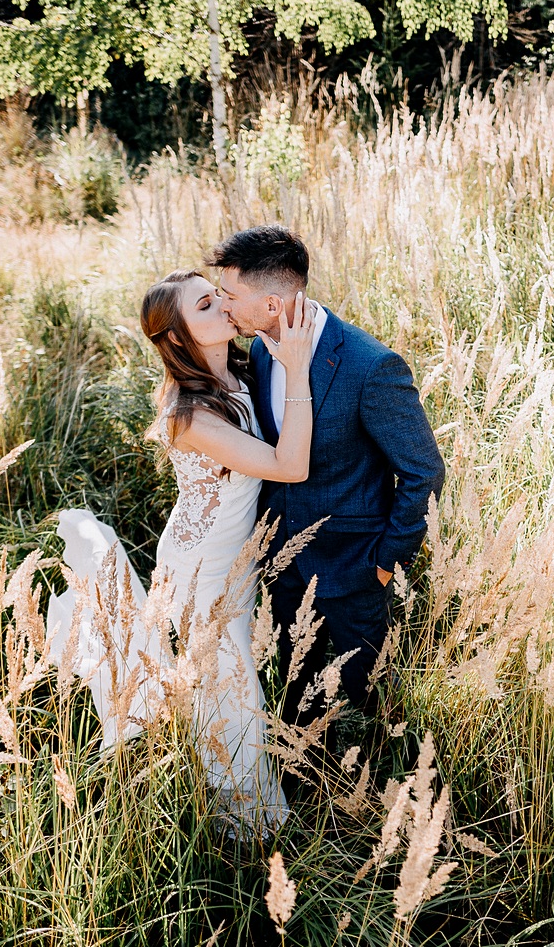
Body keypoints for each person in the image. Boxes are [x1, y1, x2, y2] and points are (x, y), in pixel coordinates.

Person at [44, 269, 316, 837]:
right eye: (204, 304)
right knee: (231, 686)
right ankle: (247, 825)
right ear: (177, 337)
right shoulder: (189, 414)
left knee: (227, 680)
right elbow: (290, 467)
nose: (221, 306)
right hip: (200, 569)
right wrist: (297, 369)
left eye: (218, 296)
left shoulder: (241, 369)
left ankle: (243, 812)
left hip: (232, 557)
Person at [209, 225, 446, 729]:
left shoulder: (370, 366)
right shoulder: (257, 350)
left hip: (354, 569)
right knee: (297, 700)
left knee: (366, 704)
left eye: (231, 295)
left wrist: (385, 563)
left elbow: (424, 472)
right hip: (282, 565)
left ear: (273, 304)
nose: (223, 304)